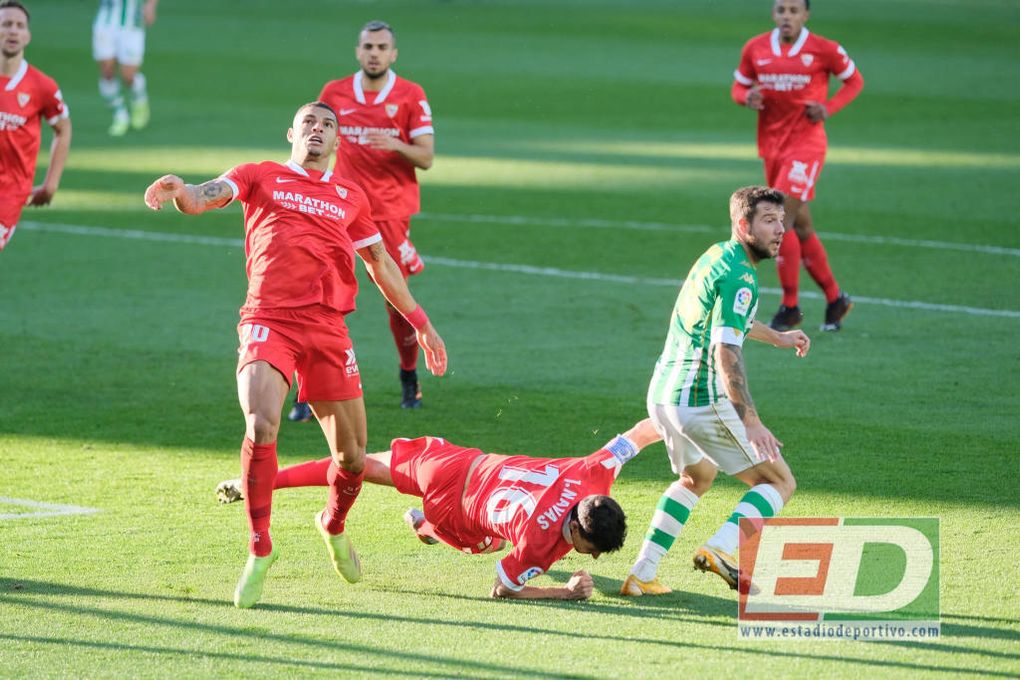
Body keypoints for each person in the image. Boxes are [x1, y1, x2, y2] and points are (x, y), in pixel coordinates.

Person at [143, 101, 448, 609]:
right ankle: (260, 546)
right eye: (309, 122)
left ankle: (332, 524)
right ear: (292, 132)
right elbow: (205, 196)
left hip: (328, 328)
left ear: (336, 144)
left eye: (328, 125)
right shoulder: (259, 175)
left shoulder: (350, 196)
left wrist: (422, 322)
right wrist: (181, 192)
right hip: (268, 319)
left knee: (351, 458)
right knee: (262, 424)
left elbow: (379, 262)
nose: (318, 130)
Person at [217, 418, 662, 600]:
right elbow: (503, 588)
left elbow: (642, 432)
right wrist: (565, 592)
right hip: (458, 510)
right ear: (578, 534)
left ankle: (256, 482)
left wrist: (677, 421)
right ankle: (426, 526)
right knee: (487, 543)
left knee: (357, 463)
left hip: (455, 463)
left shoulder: (593, 471)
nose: (594, 557)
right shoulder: (535, 545)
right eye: (593, 550)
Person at [621, 186, 811, 597]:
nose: (780, 230)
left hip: (663, 396)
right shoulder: (742, 276)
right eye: (768, 221)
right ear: (743, 225)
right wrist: (751, 421)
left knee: (696, 478)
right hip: (699, 398)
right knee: (779, 482)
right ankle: (721, 549)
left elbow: (724, 321)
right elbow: (725, 349)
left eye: (781, 221)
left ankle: (642, 571)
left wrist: (776, 337)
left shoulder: (716, 255)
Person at [289, 19, 435, 419]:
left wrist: (396, 144)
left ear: (393, 54)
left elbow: (426, 156)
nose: (374, 53)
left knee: (394, 299)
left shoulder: (409, 95)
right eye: (368, 46)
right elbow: (312, 143)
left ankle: (408, 375)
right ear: (358, 51)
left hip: (388, 212)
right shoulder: (334, 92)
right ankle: (304, 390)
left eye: (381, 47)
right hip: (335, 205)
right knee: (312, 291)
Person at [731, 0, 863, 332]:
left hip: (806, 147)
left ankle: (789, 306)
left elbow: (854, 81)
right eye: (781, 10)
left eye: (793, 10)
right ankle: (836, 299)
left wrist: (828, 108)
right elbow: (738, 86)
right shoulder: (756, 48)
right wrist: (745, 98)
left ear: (806, 15)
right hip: (773, 147)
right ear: (773, 14)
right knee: (801, 227)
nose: (786, 16)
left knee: (780, 220)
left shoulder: (824, 49)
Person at [0, 0, 71, 252]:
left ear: (27, 36)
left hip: (9, 194)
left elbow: (63, 128)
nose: (13, 31)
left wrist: (51, 183)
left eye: (19, 26)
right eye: (6, 24)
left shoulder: (41, 86)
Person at [93, 0, 157, 136]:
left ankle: (139, 100)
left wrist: (150, 5)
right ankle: (120, 115)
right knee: (107, 72)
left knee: (128, 76)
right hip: (105, 22)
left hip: (132, 22)